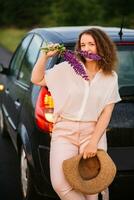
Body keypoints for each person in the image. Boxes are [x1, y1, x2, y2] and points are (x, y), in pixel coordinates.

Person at [31, 28, 121, 200]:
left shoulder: (111, 77)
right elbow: (37, 79)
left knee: (91, 188)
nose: (86, 48)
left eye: (91, 44)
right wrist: (45, 56)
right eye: (83, 44)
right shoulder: (67, 68)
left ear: (101, 46)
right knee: (60, 184)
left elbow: (106, 112)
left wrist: (93, 143)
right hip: (64, 131)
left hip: (92, 133)